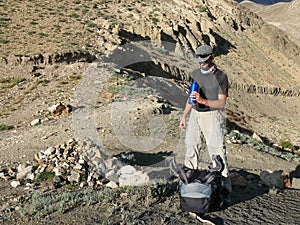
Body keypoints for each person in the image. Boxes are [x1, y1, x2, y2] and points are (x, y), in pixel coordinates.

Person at [179, 44, 232, 201]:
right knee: (191, 146)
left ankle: (224, 191)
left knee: (216, 151)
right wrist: (184, 115)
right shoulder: (196, 74)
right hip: (195, 114)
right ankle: (189, 187)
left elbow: (221, 103)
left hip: (212, 115)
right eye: (199, 59)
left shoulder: (221, 77)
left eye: (205, 59)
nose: (201, 62)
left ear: (212, 57)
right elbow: (191, 97)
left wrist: (203, 100)